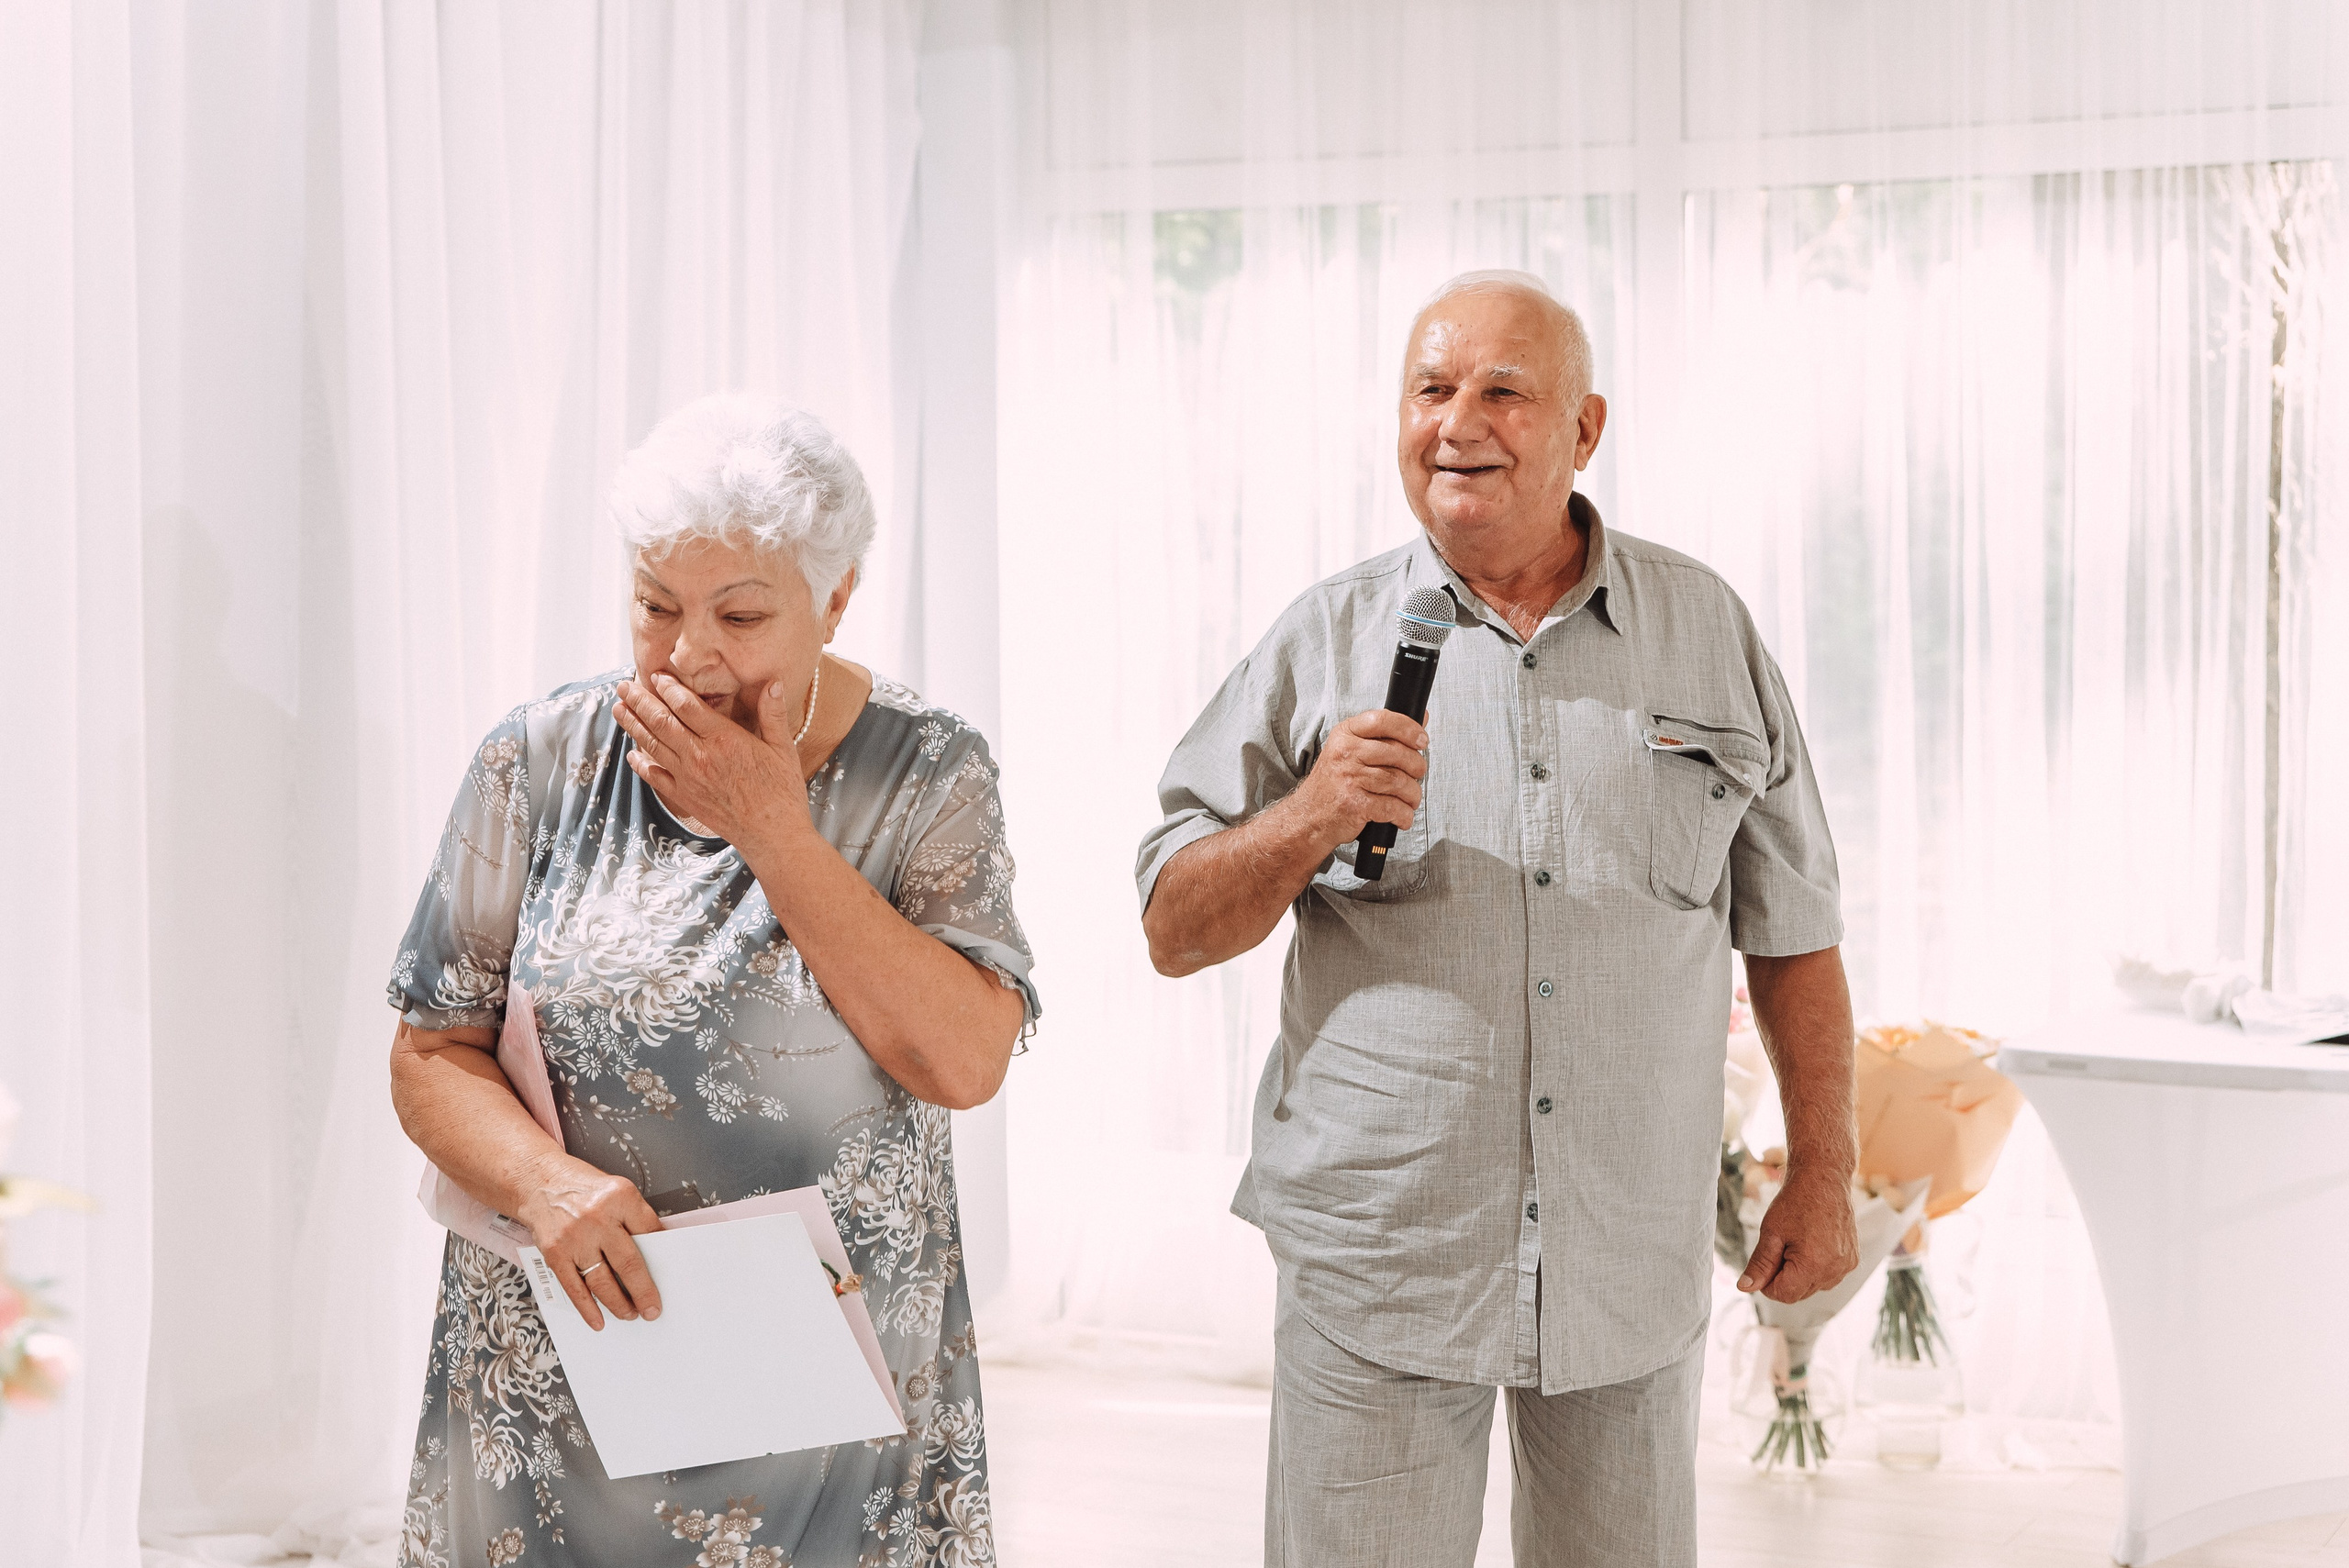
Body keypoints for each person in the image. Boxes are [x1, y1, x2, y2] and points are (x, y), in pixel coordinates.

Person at [1137, 271, 1859, 1568]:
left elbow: (1793, 921)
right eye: (1429, 388)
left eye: (1502, 391)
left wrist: (1822, 1168)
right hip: (1382, 1259)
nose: (1455, 419)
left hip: (1625, 1259)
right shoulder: (1327, 635)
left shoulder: (1705, 630)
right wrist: (1308, 814)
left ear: (1585, 431)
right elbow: (1173, 926)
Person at [387, 395, 1034, 1568]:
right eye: (655, 607)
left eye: (740, 613)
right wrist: (542, 1182)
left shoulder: (929, 769)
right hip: (556, 1361)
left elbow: (964, 1059)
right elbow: (433, 1048)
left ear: (834, 600)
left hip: (823, 1396)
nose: (688, 655)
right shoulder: (537, 759)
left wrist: (775, 831)